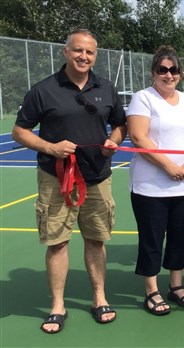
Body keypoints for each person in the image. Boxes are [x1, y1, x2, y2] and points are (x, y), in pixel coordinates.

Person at [12, 29, 126, 333]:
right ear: (66, 52)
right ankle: (57, 304)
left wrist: (112, 141)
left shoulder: (106, 87)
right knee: (58, 242)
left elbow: (119, 125)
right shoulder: (43, 90)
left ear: (95, 55)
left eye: (89, 52)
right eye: (78, 51)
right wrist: (50, 148)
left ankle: (99, 298)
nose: (83, 57)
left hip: (97, 178)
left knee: (96, 239)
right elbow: (20, 131)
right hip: (57, 178)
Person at [126, 46, 184, 316]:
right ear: (153, 73)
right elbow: (138, 137)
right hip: (150, 187)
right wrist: (169, 165)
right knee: (152, 239)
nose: (168, 75)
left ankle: (176, 285)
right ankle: (152, 290)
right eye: (163, 70)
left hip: (183, 185)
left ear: (180, 74)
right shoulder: (142, 99)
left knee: (181, 237)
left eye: (173, 70)